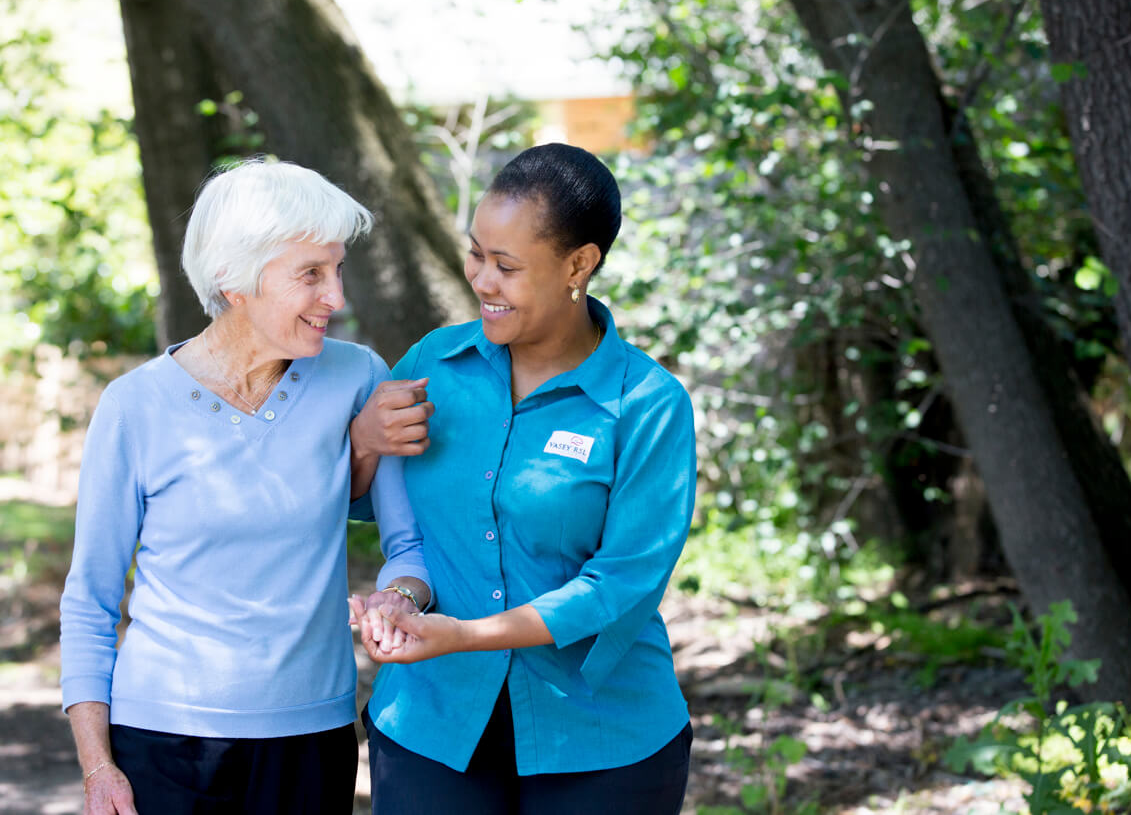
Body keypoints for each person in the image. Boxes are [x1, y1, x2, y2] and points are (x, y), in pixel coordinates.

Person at [59, 160, 431, 815]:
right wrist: (99, 769)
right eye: (310, 273)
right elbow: (89, 600)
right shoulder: (135, 406)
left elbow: (408, 543)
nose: (335, 297)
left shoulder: (358, 378)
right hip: (163, 739)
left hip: (312, 736)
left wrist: (398, 598)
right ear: (233, 278)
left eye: (337, 269)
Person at [348, 143, 696, 814]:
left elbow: (620, 582)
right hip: (432, 723)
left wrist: (468, 633)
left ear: (578, 264)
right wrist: (363, 443)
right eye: (476, 253)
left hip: (603, 739)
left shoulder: (647, 404)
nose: (481, 280)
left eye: (506, 266)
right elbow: (378, 510)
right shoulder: (431, 366)